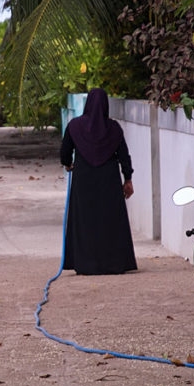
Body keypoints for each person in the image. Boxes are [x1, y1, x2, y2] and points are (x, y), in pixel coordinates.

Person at [60, 88, 138, 275]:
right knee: (109, 220)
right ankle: (113, 264)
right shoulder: (114, 128)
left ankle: (86, 265)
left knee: (85, 221)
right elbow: (124, 156)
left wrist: (68, 164)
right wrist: (128, 179)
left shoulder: (74, 126)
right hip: (109, 181)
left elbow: (65, 152)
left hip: (83, 180)